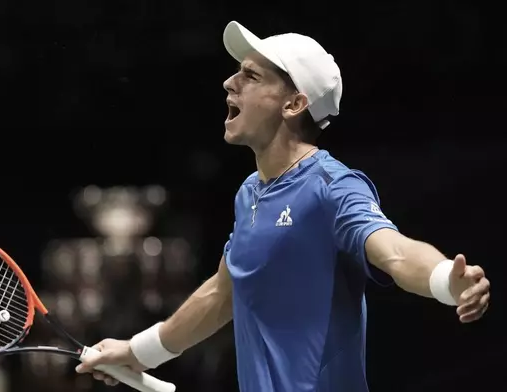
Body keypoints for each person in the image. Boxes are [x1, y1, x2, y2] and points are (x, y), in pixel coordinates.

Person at [75, 21, 491, 391]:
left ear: (294, 104)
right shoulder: (249, 194)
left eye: (250, 75)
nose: (229, 83)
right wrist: (138, 352)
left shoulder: (331, 187)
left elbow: (396, 252)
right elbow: (223, 293)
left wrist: (444, 280)